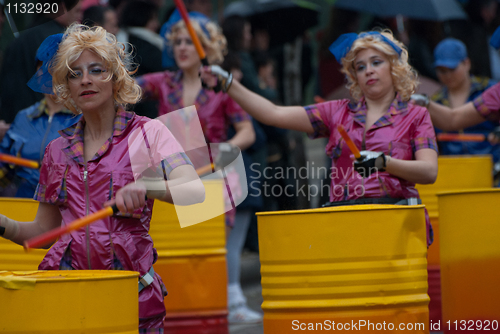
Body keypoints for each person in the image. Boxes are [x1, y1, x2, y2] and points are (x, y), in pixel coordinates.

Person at [0, 25, 205, 333]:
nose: (85, 79)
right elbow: (43, 232)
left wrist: (149, 186)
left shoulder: (148, 133)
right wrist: (3, 224)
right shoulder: (56, 150)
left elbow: (194, 191)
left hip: (129, 297)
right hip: (70, 296)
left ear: (115, 77)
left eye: (96, 70)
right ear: (65, 86)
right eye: (74, 73)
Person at [201, 30, 439, 247]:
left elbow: (429, 171)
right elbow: (273, 113)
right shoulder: (336, 112)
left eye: (376, 62)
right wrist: (229, 83)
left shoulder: (416, 116)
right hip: (346, 226)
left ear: (393, 66)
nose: (369, 70)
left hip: (396, 227)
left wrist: (385, 162)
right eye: (360, 66)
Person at [136, 10, 259, 324]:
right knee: (176, 246)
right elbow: (124, 89)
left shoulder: (219, 85)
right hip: (172, 177)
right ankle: (178, 306)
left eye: (189, 41)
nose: (181, 47)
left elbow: (247, 131)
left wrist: (228, 148)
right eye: (176, 41)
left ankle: (228, 301)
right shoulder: (163, 82)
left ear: (206, 47)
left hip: (215, 175)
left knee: (215, 246)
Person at [0, 0, 83, 123]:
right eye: (77, 10)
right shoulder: (64, 42)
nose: (80, 17)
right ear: (63, 7)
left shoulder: (16, 43)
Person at [430, 38, 500, 176]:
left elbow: (453, 118)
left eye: (452, 69)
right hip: (453, 173)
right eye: (442, 71)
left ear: (466, 63)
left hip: (493, 171)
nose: (448, 75)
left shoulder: (489, 91)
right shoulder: (435, 102)